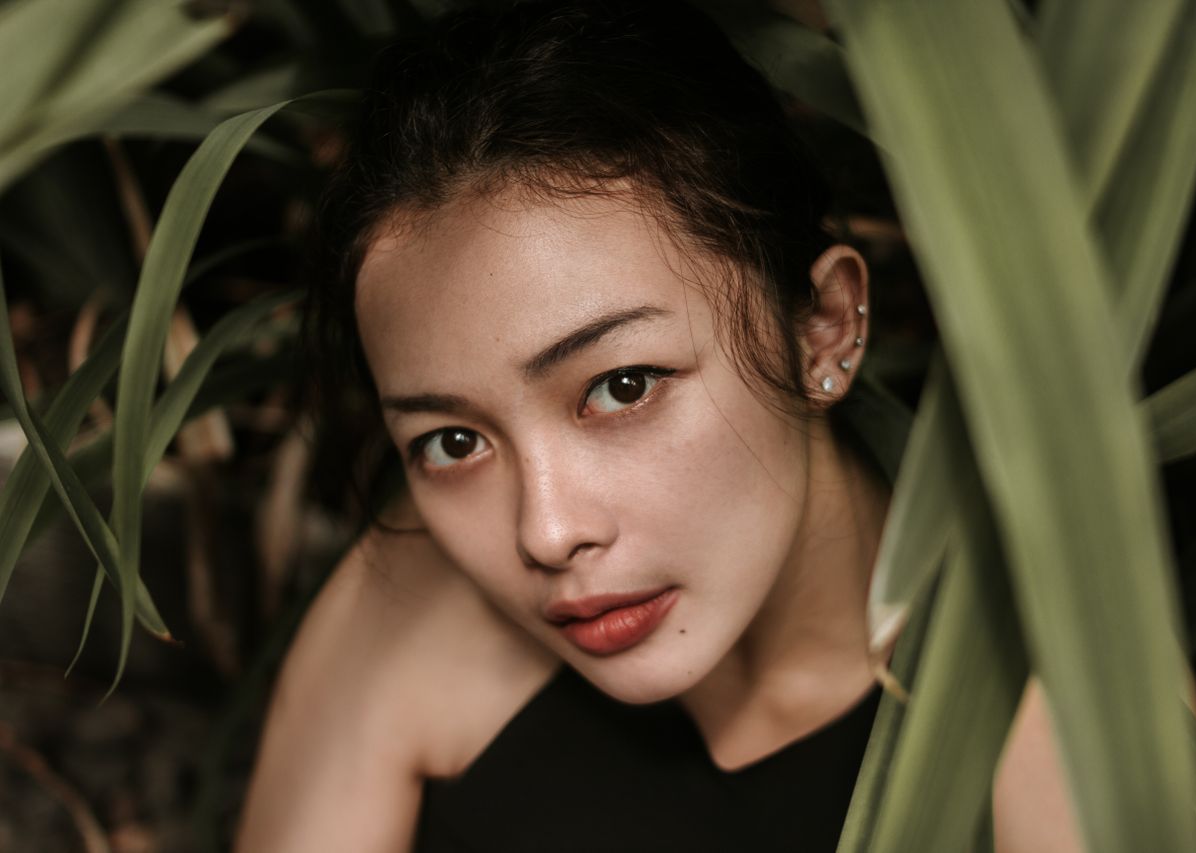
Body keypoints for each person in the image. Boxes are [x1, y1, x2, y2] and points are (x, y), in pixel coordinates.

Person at [235, 1, 1081, 849]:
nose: (549, 531)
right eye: (454, 442)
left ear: (823, 325)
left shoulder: (1052, 726)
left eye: (622, 385)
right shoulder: (411, 597)